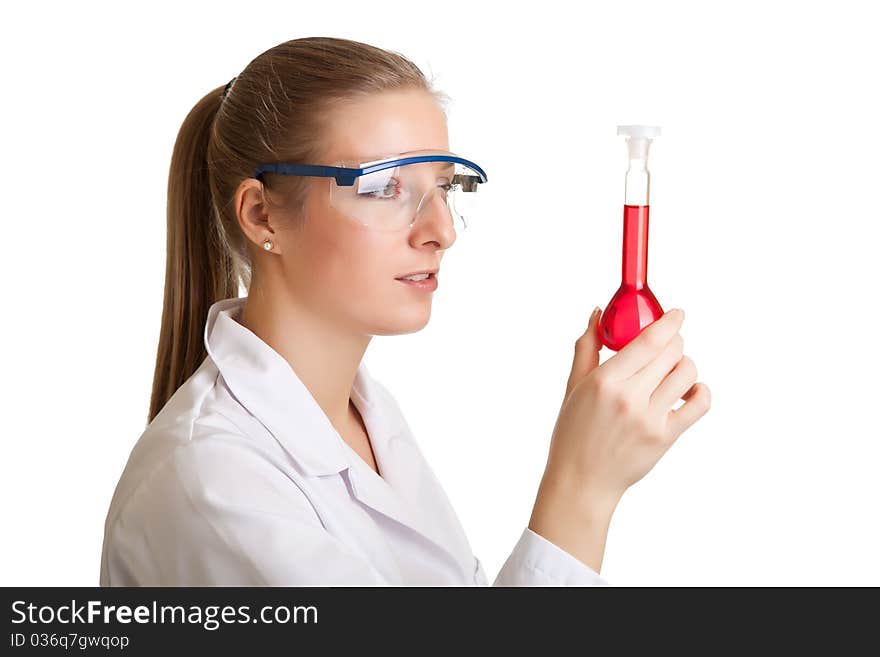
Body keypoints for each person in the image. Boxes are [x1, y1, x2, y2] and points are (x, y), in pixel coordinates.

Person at [99, 36, 711, 586]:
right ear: (263, 215)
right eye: (385, 187)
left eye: (445, 186)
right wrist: (582, 490)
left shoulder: (366, 419)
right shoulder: (213, 480)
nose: (441, 230)